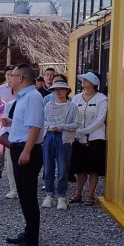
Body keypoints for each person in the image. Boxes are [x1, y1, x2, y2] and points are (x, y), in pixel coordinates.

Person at [3, 64, 44, 246]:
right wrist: (13, 123)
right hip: (19, 147)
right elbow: (27, 124)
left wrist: (26, 151)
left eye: (12, 76)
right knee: (24, 195)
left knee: (28, 197)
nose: (9, 79)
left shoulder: (33, 97)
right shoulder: (23, 97)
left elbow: (35, 127)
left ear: (20, 78)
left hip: (27, 149)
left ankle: (31, 242)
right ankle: (28, 233)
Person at [69, 72, 108, 206]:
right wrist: (78, 132)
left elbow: (99, 119)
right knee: (80, 168)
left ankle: (90, 195)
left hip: (96, 138)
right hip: (78, 137)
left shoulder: (102, 99)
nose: (83, 81)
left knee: (93, 168)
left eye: (87, 79)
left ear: (94, 82)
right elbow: (73, 115)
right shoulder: (76, 98)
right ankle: (77, 194)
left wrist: (85, 132)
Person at [42, 81, 80, 210]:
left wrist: (61, 127)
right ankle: (49, 194)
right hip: (49, 136)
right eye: (55, 89)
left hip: (64, 138)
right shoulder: (48, 105)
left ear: (66, 91)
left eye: (61, 89)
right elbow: (43, 121)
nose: (58, 92)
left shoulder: (72, 107)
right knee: (48, 167)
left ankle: (61, 196)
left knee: (63, 168)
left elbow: (76, 124)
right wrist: (50, 126)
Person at [0, 65, 16, 179]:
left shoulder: (19, 88)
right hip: (2, 120)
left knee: (12, 145)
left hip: (15, 121)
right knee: (0, 145)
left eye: (12, 74)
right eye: (8, 74)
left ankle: (14, 168)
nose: (10, 77)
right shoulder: (0, 89)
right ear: (5, 75)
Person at [0, 96, 18, 199]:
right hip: (11, 137)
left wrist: (12, 121)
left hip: (27, 138)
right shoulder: (10, 104)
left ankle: (24, 189)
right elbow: (5, 122)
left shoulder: (31, 103)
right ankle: (13, 189)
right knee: (10, 164)